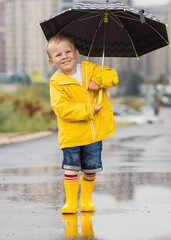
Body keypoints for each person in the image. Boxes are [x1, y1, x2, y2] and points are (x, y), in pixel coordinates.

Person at [46, 34, 118, 214]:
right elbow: (62, 109)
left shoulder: (89, 69)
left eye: (68, 51)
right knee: (71, 168)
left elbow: (113, 76)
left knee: (90, 168)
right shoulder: (56, 82)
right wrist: (88, 110)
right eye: (58, 55)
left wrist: (98, 80)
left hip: (93, 133)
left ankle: (86, 200)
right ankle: (71, 202)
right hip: (71, 135)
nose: (64, 56)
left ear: (77, 53)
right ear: (51, 62)